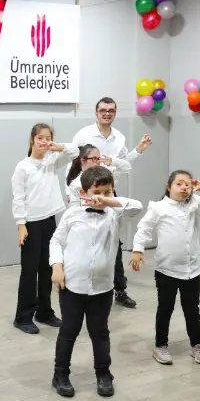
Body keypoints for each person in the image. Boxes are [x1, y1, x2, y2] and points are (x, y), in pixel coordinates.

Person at [49, 166, 142, 398]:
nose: (101, 197)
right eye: (96, 192)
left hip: (102, 287)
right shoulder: (72, 214)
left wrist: (108, 201)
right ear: (84, 193)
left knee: (99, 332)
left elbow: (137, 206)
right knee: (69, 331)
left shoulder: (115, 214)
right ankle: (60, 374)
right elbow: (56, 241)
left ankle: (103, 374)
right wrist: (57, 266)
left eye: (107, 191)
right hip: (72, 285)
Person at [130, 171, 200, 366]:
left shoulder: (195, 205)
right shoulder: (159, 207)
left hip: (192, 269)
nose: (184, 187)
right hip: (167, 269)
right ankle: (160, 345)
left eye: (188, 184)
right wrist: (138, 249)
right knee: (165, 308)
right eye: (179, 183)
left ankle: (197, 345)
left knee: (192, 309)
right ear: (168, 186)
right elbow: (144, 228)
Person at [71, 96, 153, 309]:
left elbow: (124, 164)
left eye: (111, 110)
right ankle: (77, 283)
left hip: (108, 192)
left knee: (113, 239)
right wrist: (71, 193)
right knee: (83, 239)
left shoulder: (119, 137)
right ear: (96, 112)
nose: (107, 113)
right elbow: (72, 163)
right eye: (103, 110)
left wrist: (137, 150)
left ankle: (119, 288)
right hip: (85, 192)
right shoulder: (84, 135)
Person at [11, 123, 79, 334]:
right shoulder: (23, 167)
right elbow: (18, 199)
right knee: (30, 271)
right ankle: (23, 317)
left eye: (48, 137)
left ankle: (44, 312)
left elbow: (75, 151)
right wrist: (21, 225)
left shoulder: (51, 160)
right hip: (31, 223)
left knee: (48, 268)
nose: (44, 141)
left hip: (49, 220)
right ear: (32, 139)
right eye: (40, 137)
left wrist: (57, 147)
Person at [64, 144, 130, 207]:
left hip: (110, 212)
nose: (98, 162)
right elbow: (74, 208)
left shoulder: (106, 173)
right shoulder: (76, 184)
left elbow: (127, 167)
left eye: (99, 158)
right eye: (94, 158)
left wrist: (112, 161)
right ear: (83, 160)